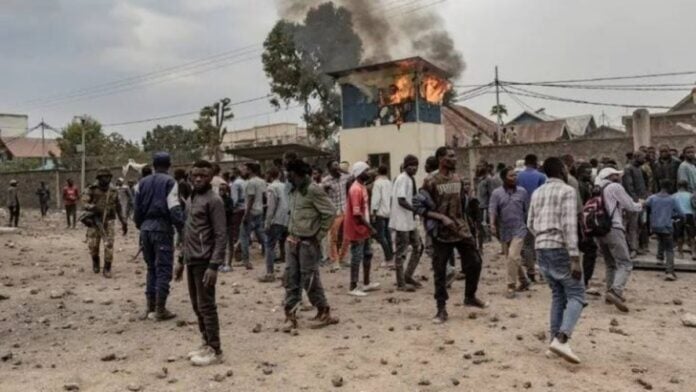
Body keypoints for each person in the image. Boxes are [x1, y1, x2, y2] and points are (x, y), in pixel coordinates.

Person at [527, 157, 585, 365]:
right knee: (577, 295)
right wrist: (575, 258)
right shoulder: (567, 191)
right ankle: (562, 339)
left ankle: (553, 342)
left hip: (541, 247)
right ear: (562, 170)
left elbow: (530, 223)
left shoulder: (537, 192)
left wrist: (543, 238)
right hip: (560, 248)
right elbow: (569, 225)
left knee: (558, 295)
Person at [422, 147, 485, 324]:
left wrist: (471, 222)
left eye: (454, 156)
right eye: (450, 156)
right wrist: (441, 217)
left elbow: (464, 204)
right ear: (441, 158)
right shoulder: (430, 181)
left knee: (475, 262)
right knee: (440, 270)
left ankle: (470, 296)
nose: (455, 159)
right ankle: (441, 309)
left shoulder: (458, 178)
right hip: (441, 232)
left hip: (460, 228)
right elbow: (420, 207)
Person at [174, 160, 226, 366]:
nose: (198, 179)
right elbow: (187, 231)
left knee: (207, 305)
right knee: (197, 306)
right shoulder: (192, 197)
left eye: (203, 175)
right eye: (195, 175)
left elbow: (221, 236)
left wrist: (214, 266)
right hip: (191, 259)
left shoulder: (214, 201)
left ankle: (215, 349)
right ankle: (205, 341)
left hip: (205, 261)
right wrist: (180, 260)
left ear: (210, 177)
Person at [282, 159, 339, 331]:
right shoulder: (293, 191)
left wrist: (318, 235)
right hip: (292, 241)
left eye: (289, 173)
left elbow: (330, 212)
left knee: (310, 280)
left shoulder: (313, 190)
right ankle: (290, 315)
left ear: (297, 173)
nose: (287, 177)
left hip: (307, 243)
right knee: (291, 279)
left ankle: (323, 312)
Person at [134, 153, 185, 320]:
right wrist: (182, 228)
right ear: (169, 165)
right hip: (162, 229)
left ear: (153, 165)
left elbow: (136, 210)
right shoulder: (170, 182)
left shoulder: (142, 183)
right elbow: (174, 209)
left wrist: (141, 227)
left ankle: (149, 307)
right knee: (163, 269)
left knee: (151, 269)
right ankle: (160, 309)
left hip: (145, 229)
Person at [595, 167, 643, 313]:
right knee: (625, 263)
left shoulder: (597, 189)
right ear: (612, 176)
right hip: (614, 228)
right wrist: (641, 204)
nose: (619, 177)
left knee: (610, 264)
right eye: (617, 174)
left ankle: (609, 294)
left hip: (599, 231)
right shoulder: (615, 187)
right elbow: (630, 206)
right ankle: (616, 292)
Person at [489, 166, 529, 299]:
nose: (514, 178)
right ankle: (524, 281)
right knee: (511, 258)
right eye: (511, 176)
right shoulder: (497, 193)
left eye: (515, 175)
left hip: (519, 228)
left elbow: (527, 210)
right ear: (504, 178)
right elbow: (492, 210)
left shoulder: (522, 192)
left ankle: (511, 286)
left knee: (513, 256)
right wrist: (492, 224)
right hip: (504, 230)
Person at [82, 169, 128, 278]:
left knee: (109, 245)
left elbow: (118, 206)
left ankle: (107, 268)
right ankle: (95, 261)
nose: (107, 179)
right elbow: (84, 202)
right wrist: (93, 207)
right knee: (93, 245)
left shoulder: (113, 190)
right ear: (99, 178)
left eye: (108, 177)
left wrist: (123, 221)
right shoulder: (91, 189)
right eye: (104, 177)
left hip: (109, 221)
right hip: (95, 221)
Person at [345, 162, 380, 297]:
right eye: (367, 170)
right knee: (357, 257)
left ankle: (366, 283)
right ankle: (353, 286)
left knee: (368, 254)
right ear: (360, 173)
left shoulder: (362, 187)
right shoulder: (355, 189)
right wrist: (370, 227)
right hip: (357, 228)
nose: (370, 172)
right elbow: (357, 214)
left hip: (364, 227)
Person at [389, 155, 423, 291]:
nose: (414, 168)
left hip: (409, 220)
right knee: (401, 251)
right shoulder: (403, 179)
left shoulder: (410, 179)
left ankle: (408, 275)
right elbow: (401, 200)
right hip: (402, 221)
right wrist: (415, 210)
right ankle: (401, 283)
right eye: (412, 165)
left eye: (416, 166)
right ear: (406, 166)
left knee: (418, 247)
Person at [646, 179, 684, 281]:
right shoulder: (672, 199)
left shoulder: (653, 198)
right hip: (667, 225)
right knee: (669, 249)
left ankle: (659, 258)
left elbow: (645, 205)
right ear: (669, 188)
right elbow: (681, 213)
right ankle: (669, 272)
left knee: (661, 239)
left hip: (655, 226)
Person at [517, 154, 547, 282]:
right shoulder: (541, 176)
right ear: (535, 163)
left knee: (528, 244)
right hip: (540, 213)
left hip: (523, 213)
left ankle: (531, 272)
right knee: (541, 243)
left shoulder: (518, 176)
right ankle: (543, 273)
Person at [260, 167, 289, 282]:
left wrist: (267, 222)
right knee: (286, 246)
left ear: (269, 175)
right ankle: (287, 272)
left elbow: (271, 207)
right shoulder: (285, 186)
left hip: (276, 220)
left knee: (269, 246)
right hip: (286, 219)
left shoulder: (271, 188)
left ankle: (270, 273)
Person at [322, 160, 351, 271]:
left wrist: (342, 169)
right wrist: (325, 190)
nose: (337, 167)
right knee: (333, 237)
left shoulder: (344, 177)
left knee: (347, 236)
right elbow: (322, 194)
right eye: (334, 165)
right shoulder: (326, 181)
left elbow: (352, 175)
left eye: (337, 165)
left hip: (345, 210)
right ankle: (335, 261)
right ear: (329, 169)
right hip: (334, 213)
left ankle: (342, 257)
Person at [240, 162, 267, 270]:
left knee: (244, 236)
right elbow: (264, 196)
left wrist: (246, 215)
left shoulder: (250, 183)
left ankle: (246, 261)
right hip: (260, 210)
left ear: (250, 170)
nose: (243, 171)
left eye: (245, 169)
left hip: (251, 212)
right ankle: (269, 253)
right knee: (261, 234)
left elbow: (250, 198)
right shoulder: (262, 181)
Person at [576, 163, 599, 290]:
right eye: (587, 173)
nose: (589, 175)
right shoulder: (580, 186)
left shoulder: (585, 185)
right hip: (582, 223)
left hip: (583, 222)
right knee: (590, 250)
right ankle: (584, 281)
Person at [623, 151, 649, 257]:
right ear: (636, 157)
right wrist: (636, 200)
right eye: (642, 158)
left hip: (641, 201)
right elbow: (629, 187)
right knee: (632, 226)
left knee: (640, 225)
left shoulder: (640, 169)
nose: (644, 160)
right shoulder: (628, 169)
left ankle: (636, 247)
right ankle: (632, 249)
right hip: (633, 202)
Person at [371, 165, 394, 268]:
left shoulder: (377, 183)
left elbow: (376, 198)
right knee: (387, 235)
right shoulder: (389, 183)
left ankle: (388, 258)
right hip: (388, 212)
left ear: (378, 173)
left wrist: (373, 212)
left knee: (381, 236)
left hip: (380, 212)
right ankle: (391, 256)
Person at [224, 167, 246, 270]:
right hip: (244, 208)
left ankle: (238, 255)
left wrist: (231, 209)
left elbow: (235, 199)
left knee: (235, 233)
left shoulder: (235, 184)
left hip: (237, 210)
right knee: (243, 231)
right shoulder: (244, 181)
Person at [674, 180, 695, 260]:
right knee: (692, 235)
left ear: (678, 186)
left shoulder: (674, 195)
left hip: (679, 216)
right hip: (689, 215)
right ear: (687, 186)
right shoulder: (691, 195)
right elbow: (693, 206)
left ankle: (680, 253)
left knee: (679, 235)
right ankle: (693, 253)